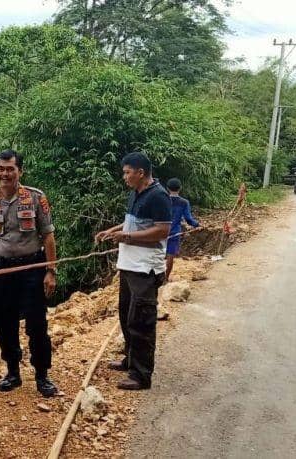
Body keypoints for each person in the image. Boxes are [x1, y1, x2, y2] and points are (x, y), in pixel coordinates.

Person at [0, 149, 60, 398]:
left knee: (37, 323)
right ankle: (12, 372)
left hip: (31, 269)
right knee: (3, 323)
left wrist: (50, 271)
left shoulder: (35, 198)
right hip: (1, 270)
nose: (5, 174)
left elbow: (48, 236)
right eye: (1, 169)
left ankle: (42, 375)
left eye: (10, 169)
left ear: (20, 171)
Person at [95, 151, 172, 390]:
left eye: (127, 172)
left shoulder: (159, 196)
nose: (124, 177)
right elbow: (132, 222)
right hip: (129, 265)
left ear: (140, 172)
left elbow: (162, 231)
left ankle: (141, 375)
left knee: (141, 322)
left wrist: (126, 236)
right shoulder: (136, 193)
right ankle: (130, 360)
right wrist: (113, 230)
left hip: (145, 268)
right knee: (126, 315)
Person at [164, 178, 200, 282]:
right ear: (180, 188)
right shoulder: (184, 202)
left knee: (158, 254)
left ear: (167, 188)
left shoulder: (163, 200)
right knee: (170, 255)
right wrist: (196, 224)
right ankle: (166, 278)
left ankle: (156, 278)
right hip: (175, 232)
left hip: (160, 231)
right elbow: (188, 219)